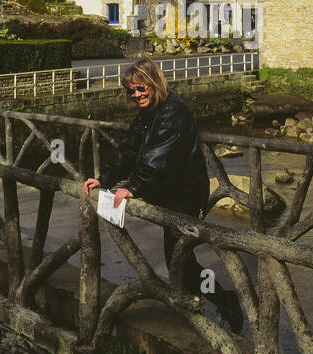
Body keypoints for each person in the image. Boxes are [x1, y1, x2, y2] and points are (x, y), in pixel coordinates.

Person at [83, 58, 245, 333]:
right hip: (170, 192)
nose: (137, 95)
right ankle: (202, 301)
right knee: (178, 256)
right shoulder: (149, 113)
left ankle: (220, 300)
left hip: (188, 194)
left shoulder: (174, 112)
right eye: (132, 91)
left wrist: (134, 187)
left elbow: (159, 156)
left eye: (141, 88)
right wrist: (105, 179)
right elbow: (129, 149)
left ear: (154, 83)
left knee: (178, 256)